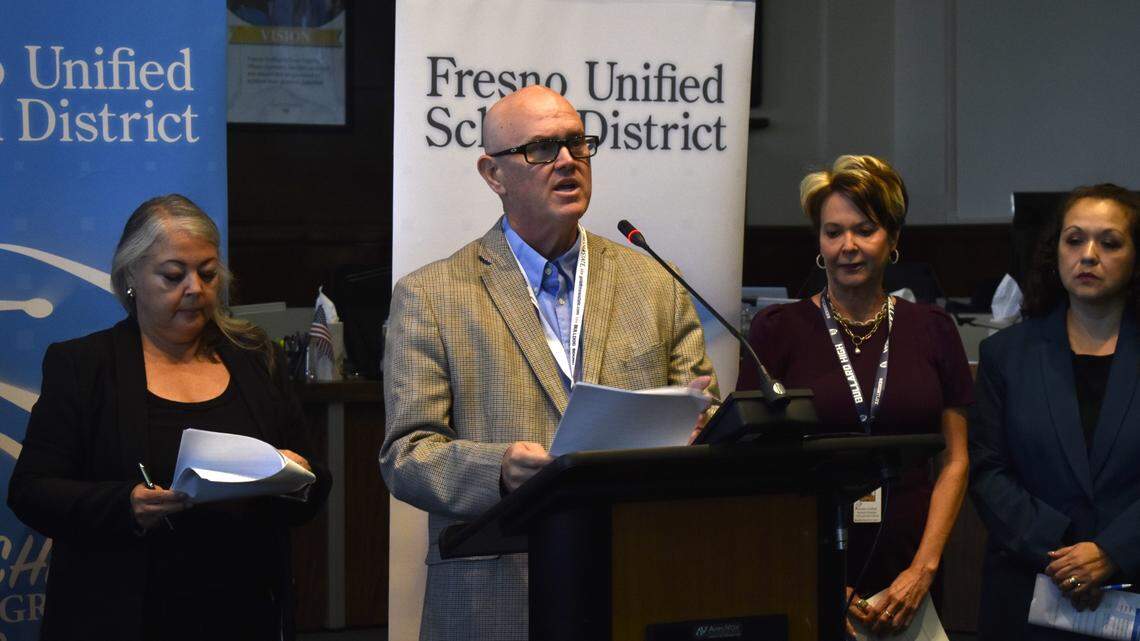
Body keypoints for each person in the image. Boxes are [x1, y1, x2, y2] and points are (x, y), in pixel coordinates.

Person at [380, 85, 717, 641]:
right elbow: (407, 455)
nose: (567, 160)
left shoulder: (653, 283)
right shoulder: (432, 294)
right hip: (497, 598)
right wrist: (499, 470)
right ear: (494, 174)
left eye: (576, 143)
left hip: (635, 581)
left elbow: (704, 410)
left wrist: (700, 424)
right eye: (541, 149)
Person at [7, 195, 331, 641]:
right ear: (131, 278)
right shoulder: (84, 366)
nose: (195, 288)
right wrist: (126, 506)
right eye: (174, 275)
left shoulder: (254, 357)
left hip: (244, 610)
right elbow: (31, 491)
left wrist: (294, 477)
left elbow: (316, 480)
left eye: (208, 273)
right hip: (122, 613)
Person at [737, 155, 972, 636]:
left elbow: (955, 460)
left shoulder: (932, 328)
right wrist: (820, 577)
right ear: (819, 243)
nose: (848, 246)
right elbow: (757, 469)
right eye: (833, 232)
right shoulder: (777, 330)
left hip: (913, 574)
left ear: (893, 239)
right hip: (807, 567)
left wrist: (922, 571)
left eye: (865, 229)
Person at [969, 184, 1140, 639]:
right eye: (1074, 239)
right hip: (1029, 590)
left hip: (1133, 589)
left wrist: (1113, 550)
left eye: (1109, 242)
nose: (1088, 255)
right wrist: (1064, 550)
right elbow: (987, 473)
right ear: (1054, 251)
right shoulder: (1004, 355)